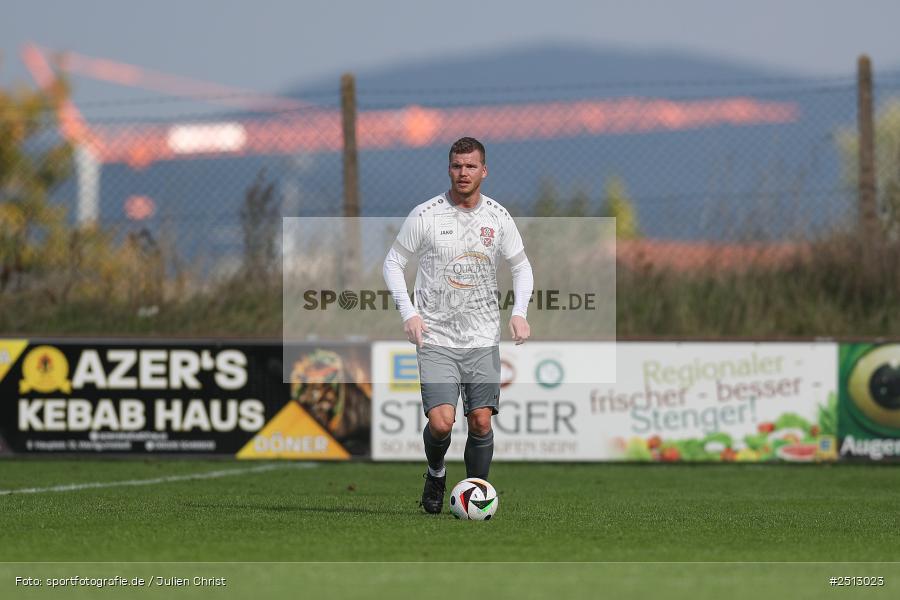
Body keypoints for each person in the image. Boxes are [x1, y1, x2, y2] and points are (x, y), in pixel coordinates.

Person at [382, 137, 534, 514]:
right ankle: (436, 473)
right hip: (436, 337)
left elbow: (521, 266)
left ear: (484, 170)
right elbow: (392, 264)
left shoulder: (498, 218)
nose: (463, 173)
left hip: (482, 337)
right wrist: (409, 313)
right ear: (448, 169)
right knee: (442, 423)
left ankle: (476, 494)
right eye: (456, 166)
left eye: (470, 166)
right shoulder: (426, 214)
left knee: (481, 421)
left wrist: (519, 313)